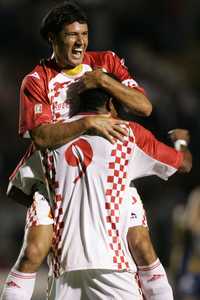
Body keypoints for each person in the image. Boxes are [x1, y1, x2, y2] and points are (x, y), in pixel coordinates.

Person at [1, 2, 152, 300]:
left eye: (84, 33)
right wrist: (88, 124)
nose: (81, 41)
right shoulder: (36, 80)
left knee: (142, 245)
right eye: (71, 35)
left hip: (107, 175)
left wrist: (104, 80)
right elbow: (42, 137)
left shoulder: (105, 62)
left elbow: (143, 106)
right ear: (52, 39)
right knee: (33, 251)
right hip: (55, 179)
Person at [44, 86, 191, 299]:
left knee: (129, 194)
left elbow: (18, 187)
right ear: (111, 104)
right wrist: (181, 142)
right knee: (133, 209)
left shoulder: (49, 137)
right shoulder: (126, 132)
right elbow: (184, 164)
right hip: (110, 262)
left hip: (62, 266)